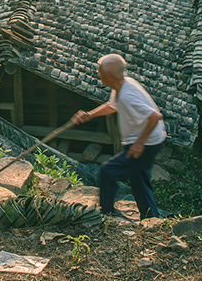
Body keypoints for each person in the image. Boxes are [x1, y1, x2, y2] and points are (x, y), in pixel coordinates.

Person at [70, 54, 166, 220]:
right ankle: (151, 218)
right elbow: (111, 106)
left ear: (110, 76)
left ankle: (107, 214)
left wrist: (139, 143)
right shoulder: (122, 86)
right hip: (145, 140)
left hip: (146, 143)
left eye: (100, 72)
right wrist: (89, 115)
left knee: (108, 171)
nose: (98, 75)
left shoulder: (128, 95)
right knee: (139, 180)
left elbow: (155, 116)